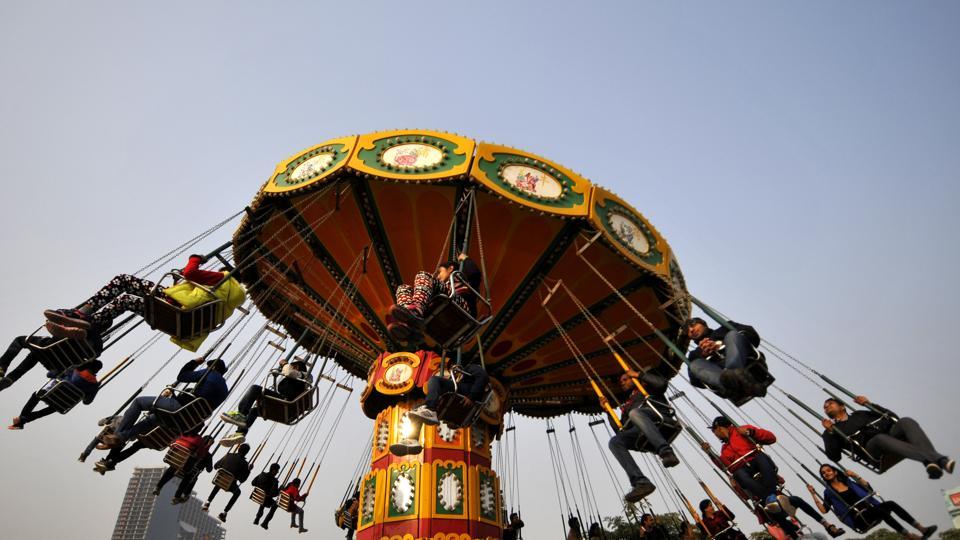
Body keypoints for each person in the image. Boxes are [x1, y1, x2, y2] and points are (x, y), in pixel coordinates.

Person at [42, 254, 246, 351]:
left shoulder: (221, 279)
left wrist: (195, 258)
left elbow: (189, 273)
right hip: (180, 326)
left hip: (172, 306)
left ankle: (79, 314)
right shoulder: (232, 302)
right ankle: (89, 326)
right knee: (125, 301)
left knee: (123, 281)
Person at [101, 357, 229, 447]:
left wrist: (193, 362)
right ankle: (122, 437)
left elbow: (182, 376)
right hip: (187, 422)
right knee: (151, 420)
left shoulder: (210, 373)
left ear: (212, 367)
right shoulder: (225, 390)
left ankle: (118, 436)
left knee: (139, 402)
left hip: (179, 409)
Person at [821, 396, 953, 479]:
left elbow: (892, 417)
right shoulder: (831, 431)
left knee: (906, 421)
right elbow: (834, 457)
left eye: (830, 404)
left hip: (889, 435)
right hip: (872, 450)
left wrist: (870, 405)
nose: (827, 408)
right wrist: (831, 434)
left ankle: (931, 462)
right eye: (825, 408)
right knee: (879, 438)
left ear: (842, 406)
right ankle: (940, 460)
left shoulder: (859, 414)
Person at [390, 359, 489, 456]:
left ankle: (430, 409)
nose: (452, 369)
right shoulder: (461, 376)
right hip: (459, 396)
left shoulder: (471, 368)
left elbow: (483, 376)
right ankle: (412, 439)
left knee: (434, 380)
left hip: (466, 393)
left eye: (452, 366)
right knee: (417, 410)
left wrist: (472, 396)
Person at [607, 370, 679, 503]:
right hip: (641, 433)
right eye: (621, 381)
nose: (622, 383)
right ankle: (640, 482)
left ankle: (665, 451)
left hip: (660, 419)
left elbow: (662, 384)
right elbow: (622, 430)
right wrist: (609, 413)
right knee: (614, 442)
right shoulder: (628, 405)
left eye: (625, 379)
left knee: (635, 413)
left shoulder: (646, 387)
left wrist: (639, 374)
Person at [810, 464, 936, 539]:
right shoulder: (828, 492)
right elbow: (824, 510)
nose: (826, 473)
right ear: (823, 477)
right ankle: (908, 536)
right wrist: (813, 494)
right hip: (859, 518)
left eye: (828, 470)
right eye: (823, 473)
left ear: (835, 471)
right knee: (880, 511)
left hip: (871, 509)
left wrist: (854, 475)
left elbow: (867, 488)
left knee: (890, 504)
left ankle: (921, 528)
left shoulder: (849, 482)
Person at [387, 252, 482, 343]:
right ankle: (409, 326)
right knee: (403, 288)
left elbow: (475, 274)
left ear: (450, 269)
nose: (438, 276)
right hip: (443, 309)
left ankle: (415, 313)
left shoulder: (462, 280)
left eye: (440, 272)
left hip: (461, 307)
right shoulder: (441, 288)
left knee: (423, 275)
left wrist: (465, 259)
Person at [219, 358, 312, 446]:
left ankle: (241, 414)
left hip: (286, 404)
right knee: (254, 411)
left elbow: (288, 372)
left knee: (255, 389)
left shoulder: (304, 375)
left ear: (296, 367)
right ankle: (240, 433)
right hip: (283, 407)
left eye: (292, 366)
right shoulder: (296, 378)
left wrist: (284, 364)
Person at [702, 416, 781, 512]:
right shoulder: (725, 449)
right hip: (744, 470)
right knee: (738, 474)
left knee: (760, 457)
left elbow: (771, 438)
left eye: (714, 431)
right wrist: (710, 454)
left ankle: (769, 495)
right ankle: (770, 496)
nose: (715, 435)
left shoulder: (742, 430)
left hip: (757, 460)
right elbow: (726, 467)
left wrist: (750, 433)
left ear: (719, 428)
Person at [0, 327, 106, 392]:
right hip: (56, 364)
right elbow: (82, 365)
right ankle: (11, 378)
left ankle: (2, 366)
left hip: (49, 348)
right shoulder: (98, 347)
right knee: (34, 355)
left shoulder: (81, 325)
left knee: (20, 340)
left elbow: (57, 329)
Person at [8, 359, 103, 429]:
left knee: (36, 395)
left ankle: (21, 418)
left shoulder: (75, 370)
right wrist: (97, 388)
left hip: (52, 392)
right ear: (97, 371)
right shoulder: (94, 385)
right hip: (62, 404)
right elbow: (87, 402)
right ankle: (22, 420)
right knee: (53, 408)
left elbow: (49, 374)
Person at [685, 317, 767, 398]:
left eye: (693, 325)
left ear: (703, 323)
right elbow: (694, 380)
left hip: (750, 366)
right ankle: (728, 379)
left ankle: (734, 372)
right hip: (727, 386)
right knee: (694, 365)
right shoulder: (694, 354)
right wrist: (703, 356)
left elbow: (752, 334)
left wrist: (722, 344)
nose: (691, 330)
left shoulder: (724, 329)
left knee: (733, 334)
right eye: (687, 331)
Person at [203, 443, 252, 522]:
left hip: (219, 480)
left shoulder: (228, 455)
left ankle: (208, 502)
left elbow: (216, 466)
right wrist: (248, 470)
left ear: (238, 448)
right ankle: (225, 512)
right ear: (246, 453)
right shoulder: (245, 464)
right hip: (230, 485)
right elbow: (242, 480)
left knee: (220, 481)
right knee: (237, 493)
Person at [774, 493, 845, 537]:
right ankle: (783, 506)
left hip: (782, 500)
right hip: (769, 506)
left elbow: (781, 481)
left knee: (795, 499)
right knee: (773, 506)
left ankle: (827, 525)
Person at [252, 463, 282, 529]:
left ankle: (257, 518)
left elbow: (253, 483)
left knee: (264, 498)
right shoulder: (275, 481)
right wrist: (280, 489)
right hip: (265, 498)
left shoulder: (262, 474)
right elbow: (274, 494)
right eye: (277, 471)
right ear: (274, 470)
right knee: (275, 505)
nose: (278, 472)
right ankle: (265, 523)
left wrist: (260, 487)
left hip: (257, 495)